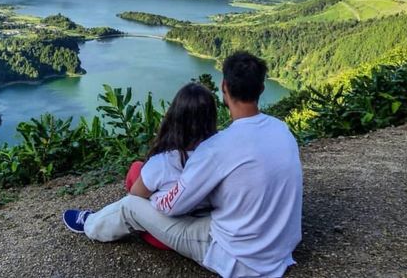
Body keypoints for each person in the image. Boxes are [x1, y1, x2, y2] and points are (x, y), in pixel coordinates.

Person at [63, 52, 303, 278]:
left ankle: (91, 225)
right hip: (279, 247)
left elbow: (172, 207)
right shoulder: (281, 130)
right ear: (261, 88)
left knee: (130, 205)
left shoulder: (217, 148)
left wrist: (155, 197)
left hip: (240, 257)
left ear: (225, 88)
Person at [116, 82, 217, 249]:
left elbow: (135, 195)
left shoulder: (164, 162)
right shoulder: (220, 153)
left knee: (136, 169)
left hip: (162, 236)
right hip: (204, 224)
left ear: (174, 118)